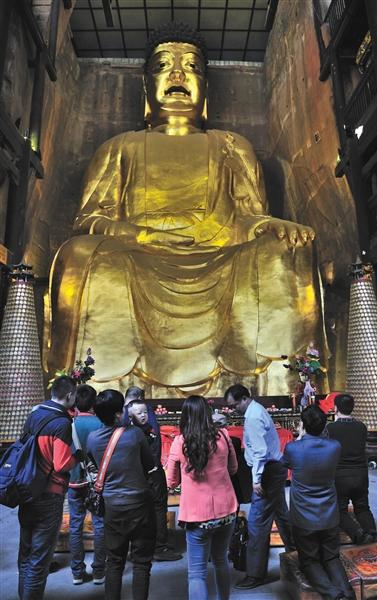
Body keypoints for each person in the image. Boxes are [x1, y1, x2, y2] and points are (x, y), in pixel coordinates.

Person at [47, 21, 325, 399]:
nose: (178, 74)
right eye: (163, 66)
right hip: (140, 253)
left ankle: (284, 386)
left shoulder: (231, 146)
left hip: (220, 253)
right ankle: (82, 388)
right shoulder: (119, 147)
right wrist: (144, 235)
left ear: (206, 88)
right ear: (146, 87)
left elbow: (246, 217)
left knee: (287, 251)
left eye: (192, 67)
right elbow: (90, 219)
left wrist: (268, 225)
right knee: (78, 254)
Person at [166, 395, 238, 600]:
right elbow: (233, 469)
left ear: (185, 416)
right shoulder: (223, 436)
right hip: (226, 511)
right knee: (221, 561)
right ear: (208, 413)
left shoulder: (180, 442)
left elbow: (170, 481)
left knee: (196, 573)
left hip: (197, 516)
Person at [86, 389, 156, 600]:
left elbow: (95, 465)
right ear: (119, 413)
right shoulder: (135, 434)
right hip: (140, 504)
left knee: (114, 562)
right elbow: (150, 465)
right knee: (142, 563)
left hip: (112, 507)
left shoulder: (92, 439)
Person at [224, 384, 293, 590]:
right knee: (281, 515)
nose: (232, 409)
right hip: (276, 468)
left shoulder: (253, 417)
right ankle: (298, 554)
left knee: (257, 523)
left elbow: (260, 453)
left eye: (234, 405)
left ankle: (255, 574)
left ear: (244, 398)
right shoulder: (256, 410)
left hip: (267, 473)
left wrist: (256, 480)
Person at [283, 406, 355, 600]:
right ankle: (348, 595)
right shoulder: (335, 446)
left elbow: (286, 464)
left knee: (309, 560)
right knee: (331, 557)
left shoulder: (293, 448)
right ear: (324, 426)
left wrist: (300, 438)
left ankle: (334, 595)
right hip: (329, 512)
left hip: (303, 515)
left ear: (302, 425)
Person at [18, 376, 78, 600]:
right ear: (70, 396)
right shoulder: (61, 423)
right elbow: (61, 463)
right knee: (40, 559)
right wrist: (77, 457)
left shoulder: (34, 414)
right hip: (49, 493)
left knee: (26, 554)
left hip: (27, 488)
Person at [124, 387, 182, 561]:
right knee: (151, 510)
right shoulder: (133, 433)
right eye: (139, 413)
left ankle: (148, 546)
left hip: (146, 475)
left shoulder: (143, 427)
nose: (143, 415)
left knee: (152, 509)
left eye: (144, 412)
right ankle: (156, 547)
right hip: (145, 475)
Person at [327, 393, 377, 544]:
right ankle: (372, 532)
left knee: (340, 510)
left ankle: (358, 534)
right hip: (361, 474)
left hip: (341, 475)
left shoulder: (331, 428)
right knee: (362, 506)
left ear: (335, 408)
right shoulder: (361, 427)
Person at [68, 384, 106, 584]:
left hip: (74, 481)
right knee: (99, 524)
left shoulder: (70, 425)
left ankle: (77, 572)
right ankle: (99, 571)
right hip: (96, 482)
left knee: (76, 525)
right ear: (94, 403)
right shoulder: (100, 424)